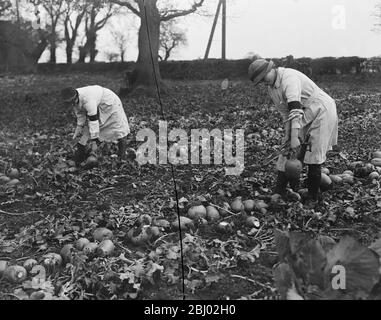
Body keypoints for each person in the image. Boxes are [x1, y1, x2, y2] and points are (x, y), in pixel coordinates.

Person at [248, 58, 338, 207]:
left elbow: (295, 109)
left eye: (264, 77)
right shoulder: (272, 89)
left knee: (313, 154)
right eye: (260, 80)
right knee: (287, 151)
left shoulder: (289, 78)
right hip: (303, 113)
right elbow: (286, 114)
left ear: (271, 69)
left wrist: (295, 136)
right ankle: (279, 191)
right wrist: (288, 136)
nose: (264, 81)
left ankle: (313, 197)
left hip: (322, 110)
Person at [61, 85, 131, 166]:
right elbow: (80, 115)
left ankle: (122, 157)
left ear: (74, 97)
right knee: (87, 131)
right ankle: (80, 156)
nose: (70, 104)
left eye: (70, 102)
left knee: (119, 128)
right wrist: (78, 128)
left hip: (110, 102)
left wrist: (94, 140)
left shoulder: (88, 100)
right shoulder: (74, 100)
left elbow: (93, 121)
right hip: (98, 105)